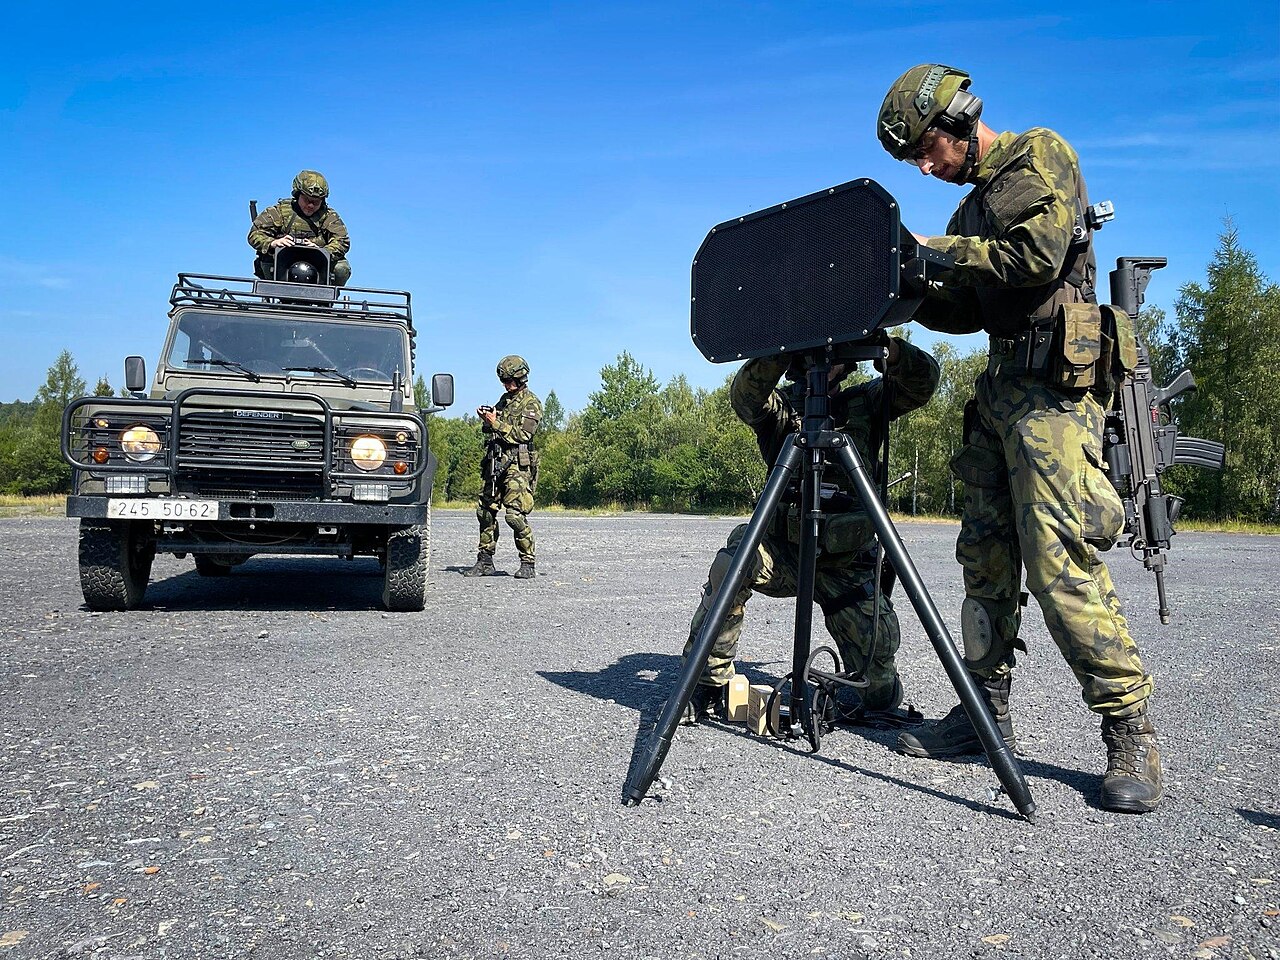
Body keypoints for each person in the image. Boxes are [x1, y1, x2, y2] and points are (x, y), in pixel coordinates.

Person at [876, 64, 1162, 813]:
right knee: (985, 559)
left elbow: (1035, 257)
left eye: (924, 150)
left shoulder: (1041, 155)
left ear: (961, 120)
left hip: (1054, 400)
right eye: (912, 159)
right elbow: (971, 308)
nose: (923, 167)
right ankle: (983, 713)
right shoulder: (971, 209)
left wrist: (933, 248)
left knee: (1059, 561)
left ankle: (1129, 728)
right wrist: (908, 283)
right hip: (1002, 392)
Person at [680, 337, 939, 724]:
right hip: (784, 553)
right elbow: (745, 397)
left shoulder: (867, 404)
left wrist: (888, 349)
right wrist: (781, 346)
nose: (827, 356)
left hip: (845, 564)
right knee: (733, 564)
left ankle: (862, 685)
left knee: (878, 690)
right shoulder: (783, 410)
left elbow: (924, 383)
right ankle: (707, 681)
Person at [463, 356, 542, 580]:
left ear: (521, 378)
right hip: (496, 461)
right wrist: (487, 420)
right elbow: (493, 430)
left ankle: (528, 562)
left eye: (509, 380)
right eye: (504, 381)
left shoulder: (531, 403)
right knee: (485, 511)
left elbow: (523, 435)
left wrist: (495, 422)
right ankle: (485, 561)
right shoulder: (504, 400)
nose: (506, 385)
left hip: (517, 464)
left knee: (514, 515)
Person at [247, 170, 352, 286]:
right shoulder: (279, 212)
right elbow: (255, 234)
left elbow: (342, 241)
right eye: (307, 200)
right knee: (266, 261)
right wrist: (273, 243)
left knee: (341, 268)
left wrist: (322, 252)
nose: (311, 205)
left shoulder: (329, 217)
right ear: (298, 195)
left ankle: (325, 300)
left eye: (316, 202)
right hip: (280, 266)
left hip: (319, 268)